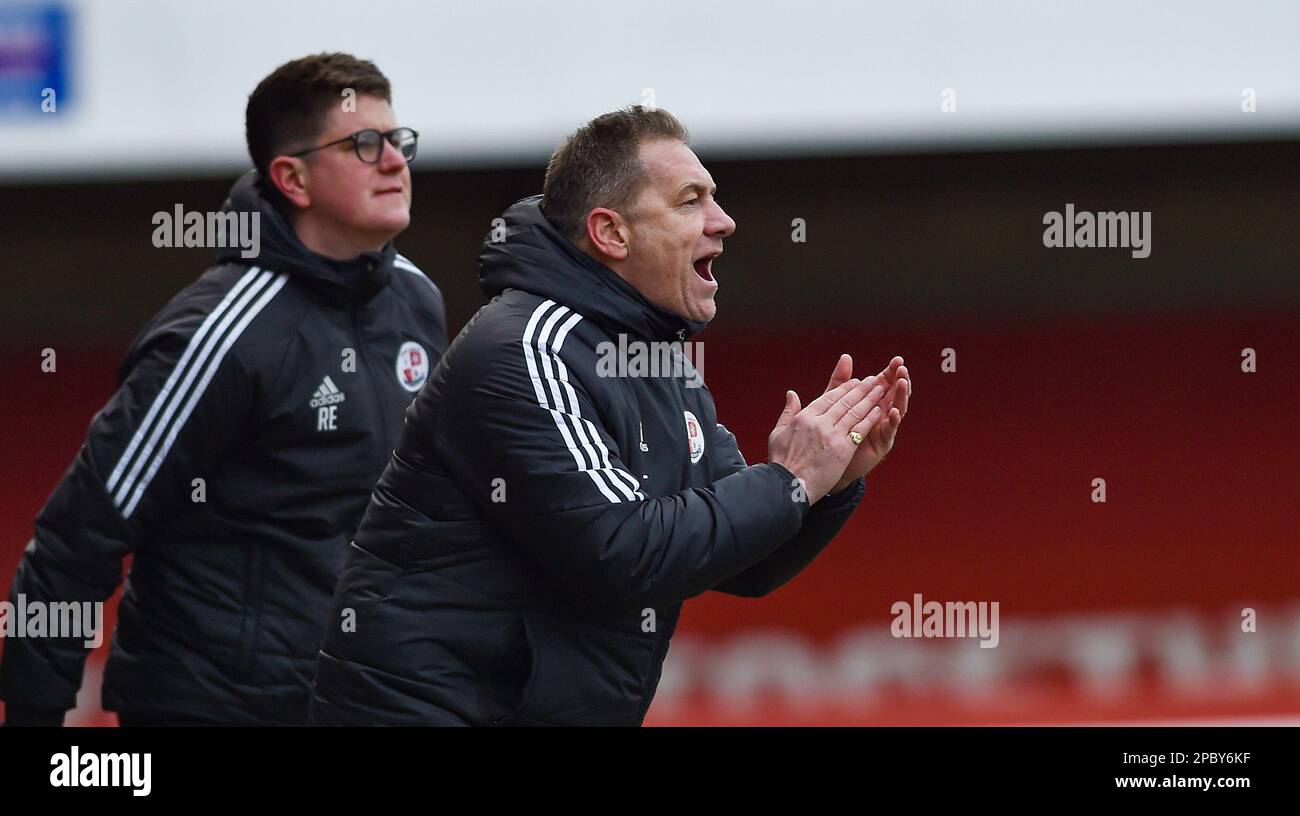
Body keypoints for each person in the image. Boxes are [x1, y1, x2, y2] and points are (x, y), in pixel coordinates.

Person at [309, 106, 910, 726]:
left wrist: (825, 484)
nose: (723, 222)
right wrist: (788, 481)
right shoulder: (525, 349)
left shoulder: (655, 358)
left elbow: (745, 562)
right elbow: (620, 552)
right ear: (611, 233)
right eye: (689, 202)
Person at [0, 53, 448, 726]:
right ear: (291, 178)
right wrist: (35, 717)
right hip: (213, 708)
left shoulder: (417, 300)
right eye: (363, 144)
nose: (393, 161)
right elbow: (80, 532)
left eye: (398, 140)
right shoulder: (218, 337)